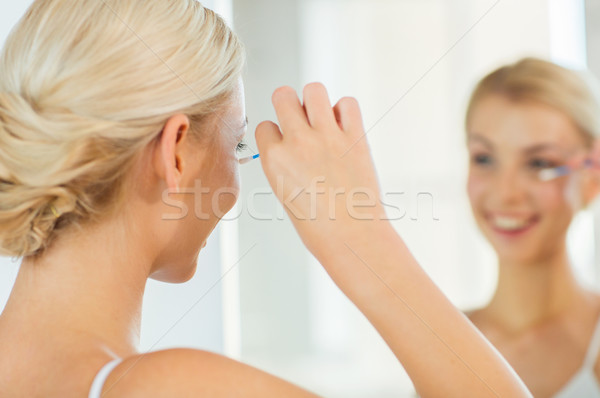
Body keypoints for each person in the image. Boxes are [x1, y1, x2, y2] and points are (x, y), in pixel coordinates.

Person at [0, 1, 531, 396]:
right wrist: (360, 236)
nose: (239, 174)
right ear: (176, 151)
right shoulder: (173, 387)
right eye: (237, 143)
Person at [464, 58, 600, 398]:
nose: (506, 193)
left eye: (540, 163)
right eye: (484, 158)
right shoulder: (438, 334)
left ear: (592, 176)